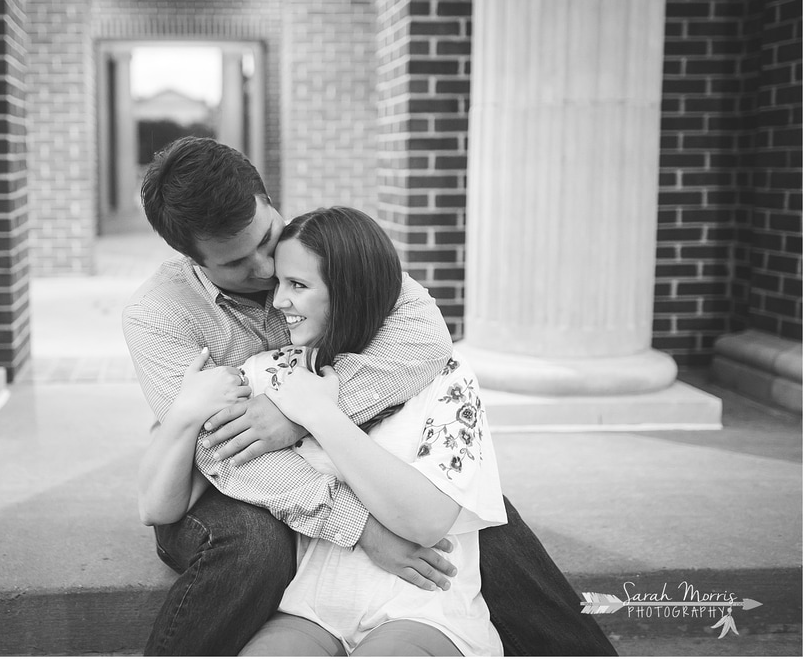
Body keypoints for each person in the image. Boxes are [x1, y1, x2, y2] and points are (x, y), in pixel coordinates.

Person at [123, 136, 617, 656]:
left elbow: (424, 340)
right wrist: (362, 529)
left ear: (269, 201)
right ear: (192, 259)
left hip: (341, 457)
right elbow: (225, 453)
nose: (267, 271)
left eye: (266, 240)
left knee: (476, 515)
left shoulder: (326, 254)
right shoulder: (159, 315)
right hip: (224, 490)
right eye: (237, 264)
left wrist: (303, 413)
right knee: (255, 543)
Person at [141, 206, 507, 655]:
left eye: (296, 285)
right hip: (309, 608)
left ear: (349, 291)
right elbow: (160, 505)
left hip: (421, 605)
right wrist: (182, 415)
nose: (276, 302)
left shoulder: (444, 377)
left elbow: (426, 522)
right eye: (280, 283)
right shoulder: (266, 375)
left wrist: (319, 416)